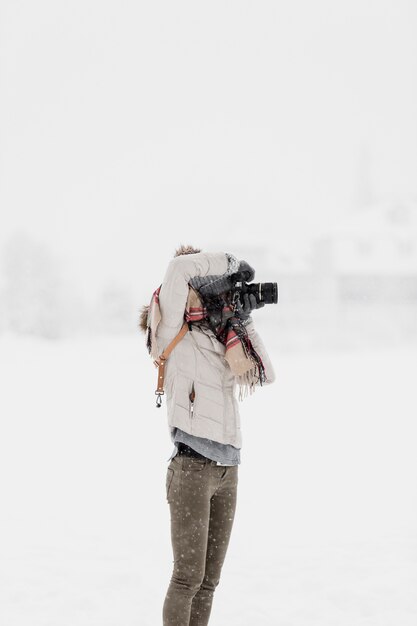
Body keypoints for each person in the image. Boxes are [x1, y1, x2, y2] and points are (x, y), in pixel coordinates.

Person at [141, 244, 276, 626]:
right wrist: (233, 264)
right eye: (213, 282)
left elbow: (266, 370)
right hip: (192, 470)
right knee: (187, 579)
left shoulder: (222, 332)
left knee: (209, 582)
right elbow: (179, 266)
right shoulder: (170, 328)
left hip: (227, 469)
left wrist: (243, 318)